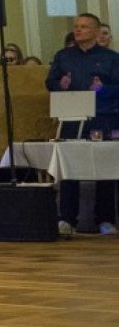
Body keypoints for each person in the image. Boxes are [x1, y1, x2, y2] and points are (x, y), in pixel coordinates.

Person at [47, 13, 118, 236]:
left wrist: (103, 89)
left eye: (84, 27)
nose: (78, 30)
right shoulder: (63, 56)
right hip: (72, 118)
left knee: (104, 168)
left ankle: (105, 219)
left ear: (96, 32)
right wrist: (61, 84)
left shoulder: (111, 58)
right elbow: (50, 82)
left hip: (102, 118)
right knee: (70, 168)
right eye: (76, 26)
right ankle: (67, 219)